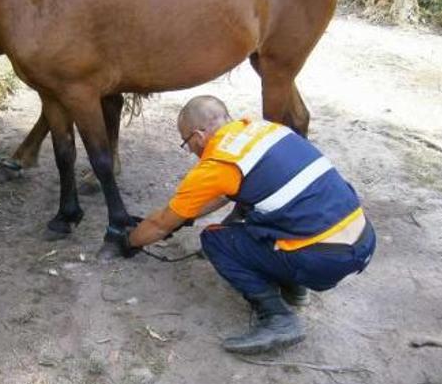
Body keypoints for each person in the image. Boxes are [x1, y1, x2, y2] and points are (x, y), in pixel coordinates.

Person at [110, 95, 376, 354]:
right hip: (362, 240)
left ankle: (278, 318)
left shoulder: (217, 164)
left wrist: (129, 241)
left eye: (186, 143)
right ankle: (295, 288)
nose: (190, 150)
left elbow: (159, 224)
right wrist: (187, 215)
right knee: (272, 214)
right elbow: (227, 194)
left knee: (217, 240)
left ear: (199, 136)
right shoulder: (266, 130)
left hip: (324, 262)